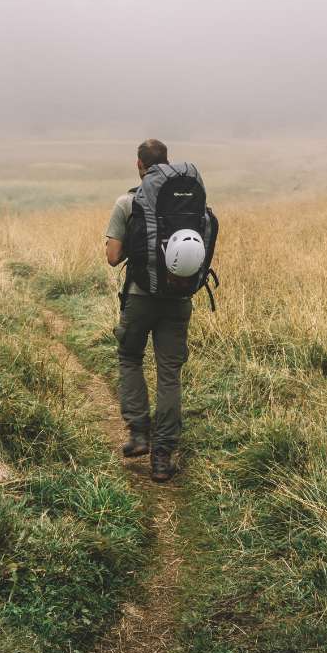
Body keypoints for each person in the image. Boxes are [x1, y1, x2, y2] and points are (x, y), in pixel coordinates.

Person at [104, 138, 189, 482]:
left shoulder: (127, 202)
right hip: (179, 300)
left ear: (139, 165)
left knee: (130, 357)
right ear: (166, 164)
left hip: (139, 297)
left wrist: (135, 248)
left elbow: (112, 258)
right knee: (169, 373)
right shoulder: (185, 204)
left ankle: (139, 434)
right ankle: (163, 456)